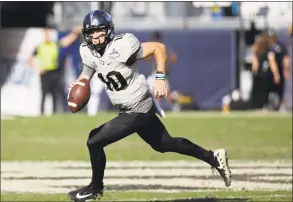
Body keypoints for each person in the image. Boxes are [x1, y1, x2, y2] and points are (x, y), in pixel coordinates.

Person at [67, 10, 231, 202]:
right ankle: (214, 157)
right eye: (92, 32)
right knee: (165, 144)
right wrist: (80, 83)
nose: (96, 36)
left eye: (100, 30)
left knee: (94, 140)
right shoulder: (87, 51)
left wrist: (160, 78)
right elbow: (89, 69)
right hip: (129, 109)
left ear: (109, 30)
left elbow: (158, 48)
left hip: (138, 107)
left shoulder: (122, 46)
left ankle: (95, 188)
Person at [29, 25, 82, 115]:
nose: (47, 36)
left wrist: (75, 33)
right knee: (44, 94)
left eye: (49, 34)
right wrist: (38, 68)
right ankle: (41, 113)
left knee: (55, 94)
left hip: (55, 72)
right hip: (45, 72)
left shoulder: (54, 44)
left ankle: (54, 113)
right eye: (46, 34)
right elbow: (30, 59)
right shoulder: (40, 46)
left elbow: (66, 41)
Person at [266, 29, 290, 110]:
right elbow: (286, 60)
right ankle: (279, 105)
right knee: (280, 90)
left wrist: (276, 74)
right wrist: (286, 71)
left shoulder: (271, 47)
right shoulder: (282, 46)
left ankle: (274, 105)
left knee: (274, 90)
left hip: (273, 73)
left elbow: (272, 61)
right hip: (280, 71)